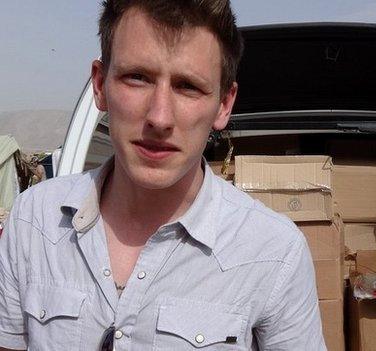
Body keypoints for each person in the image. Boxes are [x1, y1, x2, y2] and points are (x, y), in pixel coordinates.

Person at [0, 1, 325, 350]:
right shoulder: (34, 220)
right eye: (137, 77)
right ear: (99, 85)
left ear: (224, 104)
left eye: (188, 86)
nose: (159, 117)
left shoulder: (274, 252)